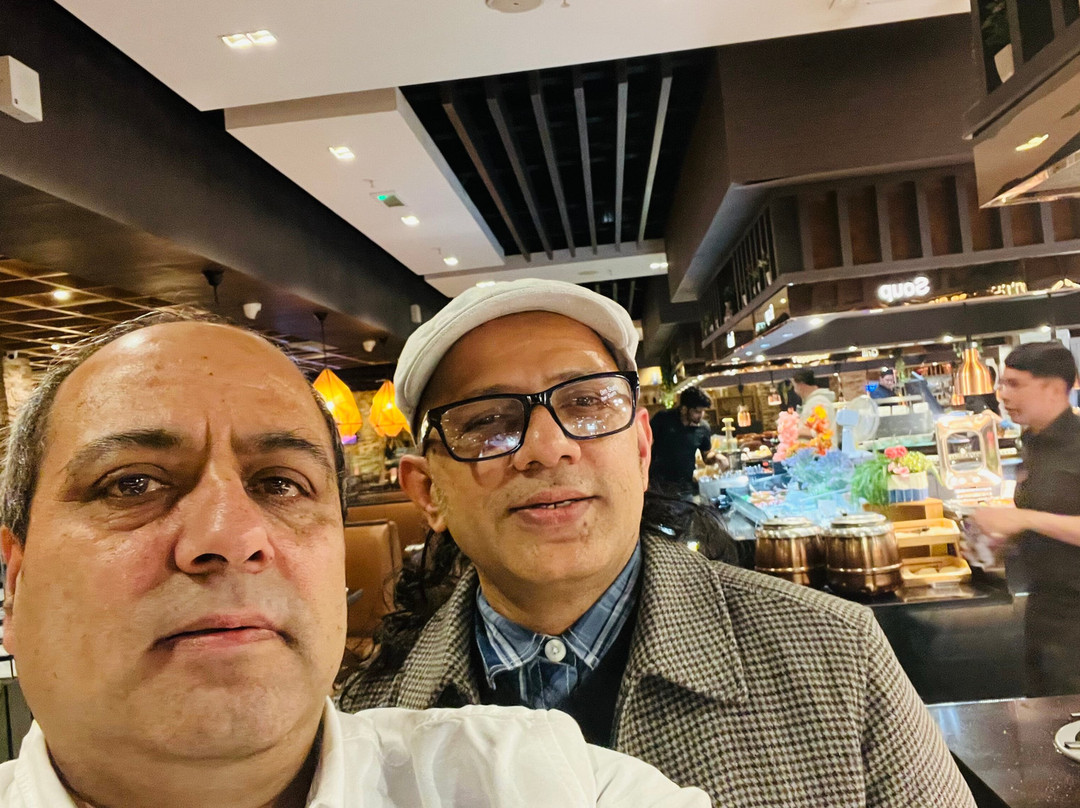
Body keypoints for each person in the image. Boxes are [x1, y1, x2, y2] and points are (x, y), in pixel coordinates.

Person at [0, 310, 708, 808]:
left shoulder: (538, 779)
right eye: (132, 484)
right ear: (14, 577)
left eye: (280, 483)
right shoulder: (398, 684)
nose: (230, 535)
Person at [339, 278, 975, 807]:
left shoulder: (838, 659)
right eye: (487, 422)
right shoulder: (363, 728)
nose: (548, 447)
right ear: (428, 492)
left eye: (586, 404)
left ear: (642, 450)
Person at [970, 342, 1080, 696]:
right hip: (1045, 613)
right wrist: (1002, 537)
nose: (1002, 395)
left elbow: (1038, 517)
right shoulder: (1032, 441)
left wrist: (1026, 520)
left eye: (1015, 384)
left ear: (1054, 388)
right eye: (1002, 384)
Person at [648, 387, 726, 496]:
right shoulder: (663, 419)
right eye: (697, 411)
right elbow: (646, 443)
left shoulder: (703, 428)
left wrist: (717, 457)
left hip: (685, 487)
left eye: (703, 411)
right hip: (658, 486)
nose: (701, 415)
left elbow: (706, 455)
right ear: (684, 409)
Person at [791, 368, 836, 440]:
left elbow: (821, 432)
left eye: (795, 386)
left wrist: (795, 431)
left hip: (821, 447)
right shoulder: (813, 402)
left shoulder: (818, 402)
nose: (795, 390)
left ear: (801, 385)